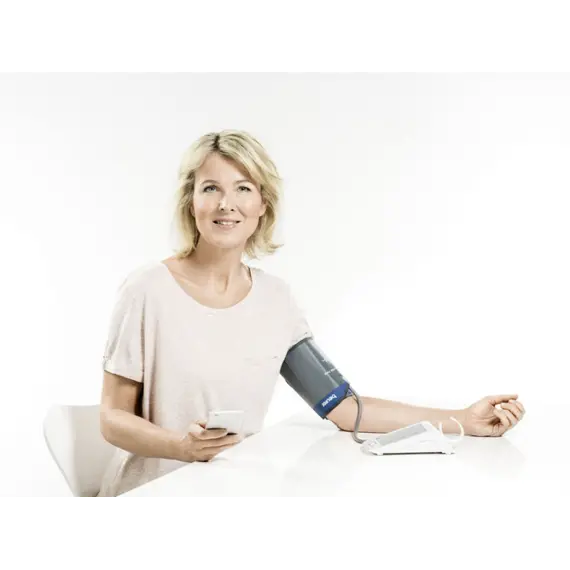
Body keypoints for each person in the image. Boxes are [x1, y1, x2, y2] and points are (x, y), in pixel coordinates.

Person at [97, 130, 526, 498]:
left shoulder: (275, 301)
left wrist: (463, 420)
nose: (227, 203)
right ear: (191, 202)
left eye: (243, 188)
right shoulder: (147, 290)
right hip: (150, 499)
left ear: (262, 205)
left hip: (232, 496)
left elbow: (345, 408)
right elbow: (112, 419)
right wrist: (180, 446)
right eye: (211, 188)